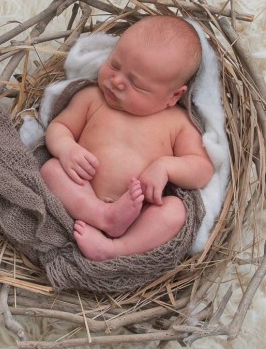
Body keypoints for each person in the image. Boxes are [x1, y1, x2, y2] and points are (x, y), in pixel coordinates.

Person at [40, 15, 214, 261]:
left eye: (137, 84)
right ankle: (103, 215)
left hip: (140, 215)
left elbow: (202, 169)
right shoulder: (92, 98)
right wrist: (67, 148)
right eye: (114, 65)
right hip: (82, 196)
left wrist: (165, 166)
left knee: (175, 212)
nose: (116, 81)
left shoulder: (177, 122)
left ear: (173, 96)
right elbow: (59, 127)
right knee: (51, 169)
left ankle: (116, 248)